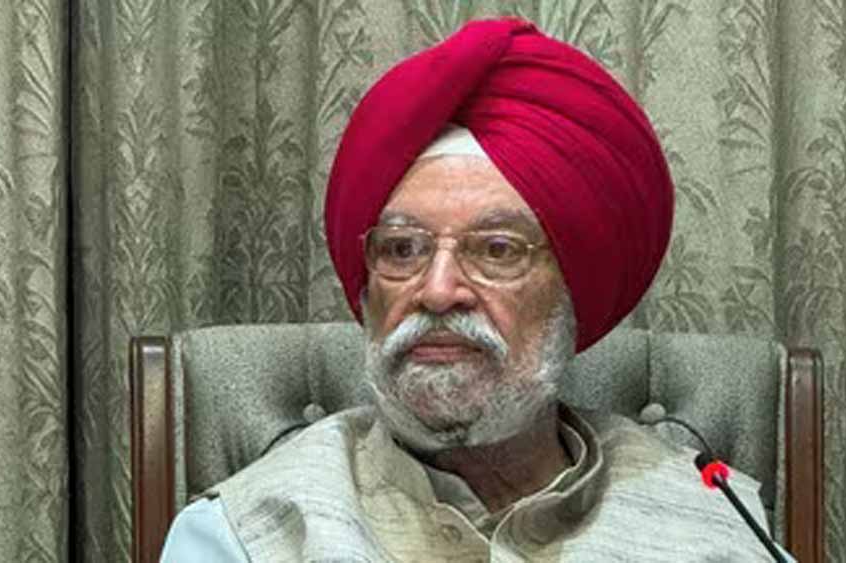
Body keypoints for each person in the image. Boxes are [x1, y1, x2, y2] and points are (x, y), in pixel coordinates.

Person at [160, 18, 792, 562]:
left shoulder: (715, 523)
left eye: (497, 250)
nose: (438, 291)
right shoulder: (245, 536)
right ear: (367, 292)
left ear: (572, 294)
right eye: (402, 250)